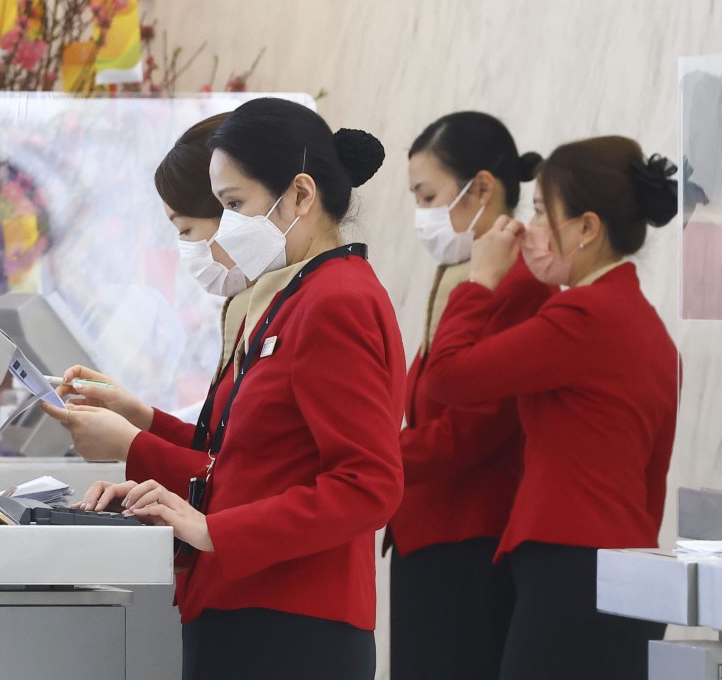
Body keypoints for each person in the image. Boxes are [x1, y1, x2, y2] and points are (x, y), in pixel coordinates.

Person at [42, 97, 404, 680]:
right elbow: (251, 451)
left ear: (301, 197)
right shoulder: (295, 293)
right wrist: (145, 428)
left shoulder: (336, 300)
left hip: (292, 620)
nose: (225, 225)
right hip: (248, 602)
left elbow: (369, 485)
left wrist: (213, 527)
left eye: (234, 205)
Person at [425, 135, 679, 680]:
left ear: (587, 227)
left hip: (573, 565)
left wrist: (482, 278)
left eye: (540, 209)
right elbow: (650, 477)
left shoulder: (584, 316)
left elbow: (447, 377)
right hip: (629, 566)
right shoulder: (649, 328)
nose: (527, 227)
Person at [387, 111, 554, 680]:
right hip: (428, 524)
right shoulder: (462, 269)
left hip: (471, 532)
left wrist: (378, 459)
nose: (423, 215)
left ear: (481, 187)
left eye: (429, 195)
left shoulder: (521, 282)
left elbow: (479, 423)